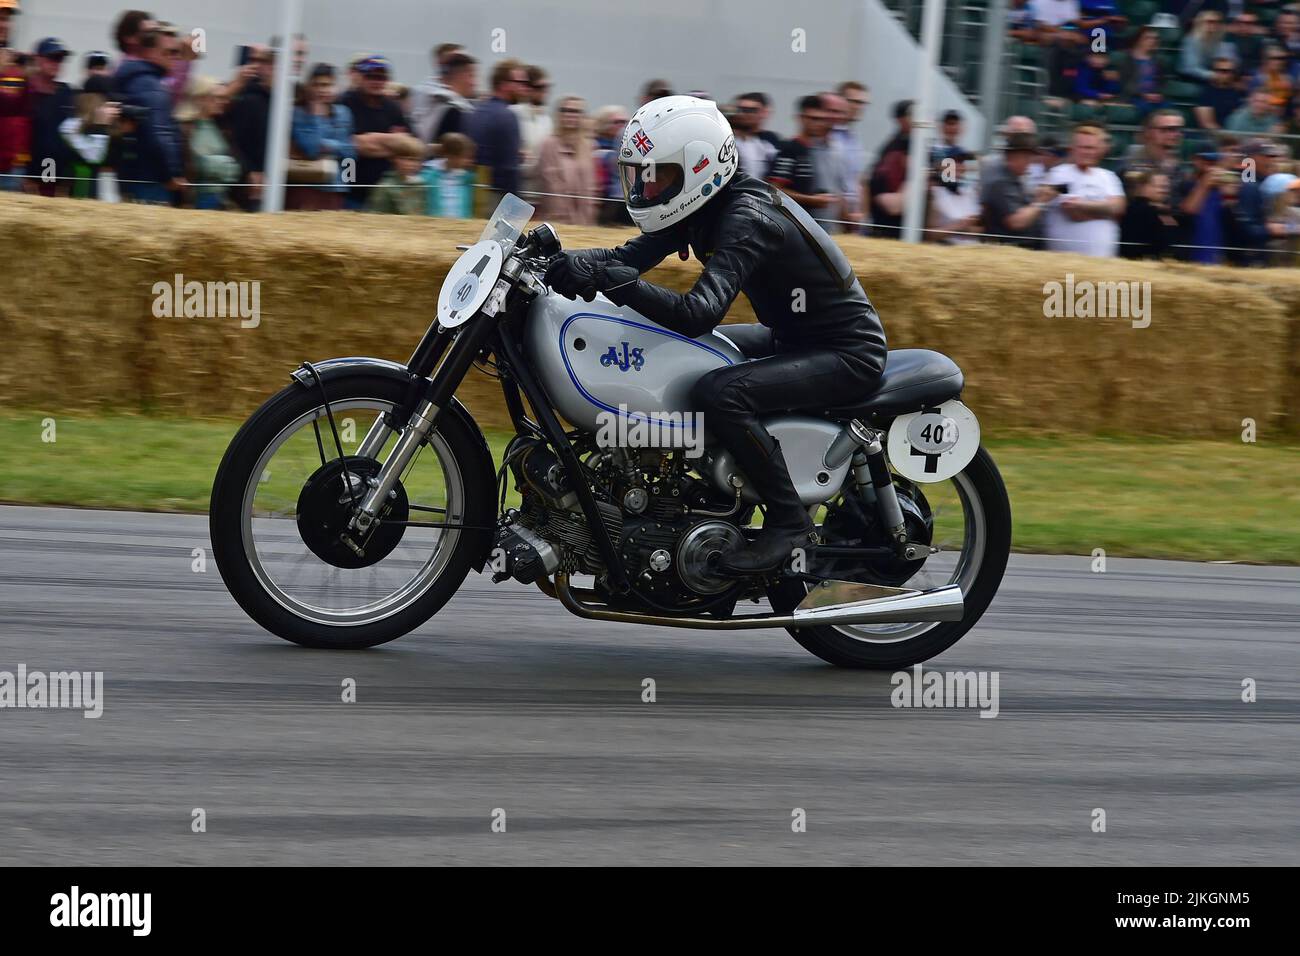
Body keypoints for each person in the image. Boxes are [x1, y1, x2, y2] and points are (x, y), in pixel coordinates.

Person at [544, 96, 887, 575]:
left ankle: (789, 520)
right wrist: (553, 255)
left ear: (698, 167)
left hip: (844, 352)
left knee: (719, 392)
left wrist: (612, 282)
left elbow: (696, 312)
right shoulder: (698, 205)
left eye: (657, 175)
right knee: (696, 359)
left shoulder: (747, 217)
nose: (646, 187)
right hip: (793, 338)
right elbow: (626, 257)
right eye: (641, 175)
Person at [113, 27, 185, 204]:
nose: (176, 58)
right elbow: (159, 134)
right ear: (150, 52)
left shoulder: (134, 79)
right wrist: (171, 174)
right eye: (171, 52)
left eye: (178, 52)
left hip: (135, 177)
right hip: (152, 182)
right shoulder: (151, 87)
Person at [1041, 124, 1126, 256]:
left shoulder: (1108, 176)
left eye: (1092, 148)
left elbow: (1119, 209)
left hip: (1102, 262)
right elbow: (1073, 212)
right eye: (1083, 147)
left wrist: (1082, 204)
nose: (1088, 152)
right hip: (1065, 262)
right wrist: (1106, 212)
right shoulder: (1059, 174)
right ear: (1072, 149)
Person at [339, 55, 410, 210]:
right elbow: (353, 145)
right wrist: (390, 142)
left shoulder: (393, 108)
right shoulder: (345, 102)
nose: (376, 82)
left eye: (381, 77)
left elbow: (406, 145)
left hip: (383, 191)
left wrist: (370, 140)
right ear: (361, 77)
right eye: (371, 77)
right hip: (351, 188)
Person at [288, 62, 355, 211]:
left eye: (327, 85)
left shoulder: (344, 112)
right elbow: (311, 149)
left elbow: (351, 153)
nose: (322, 90)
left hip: (336, 188)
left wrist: (348, 185)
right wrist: (316, 115)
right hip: (307, 187)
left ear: (336, 87)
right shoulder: (298, 113)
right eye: (317, 85)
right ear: (309, 87)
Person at [768, 93, 839, 228]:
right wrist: (812, 200)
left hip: (815, 225)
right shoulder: (789, 149)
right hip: (793, 225)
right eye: (813, 118)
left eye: (822, 119)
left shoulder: (817, 150)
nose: (818, 124)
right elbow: (775, 190)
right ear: (801, 119)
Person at [465, 58, 528, 204]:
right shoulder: (507, 116)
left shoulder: (475, 111)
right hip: (496, 199)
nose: (524, 88)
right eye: (520, 83)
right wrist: (517, 207)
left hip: (473, 194)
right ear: (503, 84)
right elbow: (509, 169)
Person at [979, 131, 1054, 248]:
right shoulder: (1000, 183)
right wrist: (1041, 202)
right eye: (1026, 157)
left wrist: (1036, 198)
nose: (1030, 162)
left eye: (1030, 157)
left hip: (1023, 252)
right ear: (1012, 156)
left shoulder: (1018, 180)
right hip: (1011, 253)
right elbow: (1015, 222)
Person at [226, 44, 274, 208]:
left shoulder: (274, 100)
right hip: (250, 178)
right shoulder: (250, 99)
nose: (257, 65)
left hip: (266, 176)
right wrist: (252, 171)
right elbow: (237, 140)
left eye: (262, 61)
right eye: (254, 60)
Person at [534, 94, 595, 225]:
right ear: (558, 114)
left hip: (585, 220)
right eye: (565, 110)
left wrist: (587, 220)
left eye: (575, 111)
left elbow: (590, 187)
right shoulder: (548, 145)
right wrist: (565, 222)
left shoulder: (589, 146)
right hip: (558, 219)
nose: (570, 114)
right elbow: (552, 186)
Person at [26, 38, 76, 197]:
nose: (56, 63)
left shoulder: (67, 92)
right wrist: (23, 174)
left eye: (60, 59)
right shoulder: (26, 91)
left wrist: (67, 179)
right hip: (29, 177)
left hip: (59, 180)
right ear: (38, 59)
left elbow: (72, 136)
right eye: (52, 58)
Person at [181, 76, 239, 210]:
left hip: (220, 198)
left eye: (224, 97)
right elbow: (187, 165)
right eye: (217, 97)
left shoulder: (221, 126)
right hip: (197, 200)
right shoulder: (186, 128)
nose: (223, 102)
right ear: (200, 99)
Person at [867, 99, 912, 238]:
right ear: (900, 120)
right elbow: (890, 204)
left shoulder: (919, 146)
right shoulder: (893, 150)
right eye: (912, 115)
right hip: (890, 228)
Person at [512, 64, 553, 191]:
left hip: (539, 190)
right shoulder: (513, 114)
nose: (544, 92)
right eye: (539, 87)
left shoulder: (547, 120)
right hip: (517, 187)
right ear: (527, 88)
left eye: (546, 87)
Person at [1119, 169, 1175, 259]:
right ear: (1144, 186)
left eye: (1166, 187)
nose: (1165, 191)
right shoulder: (1139, 211)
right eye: (1160, 187)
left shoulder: (1162, 211)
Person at [366, 133, 428, 215]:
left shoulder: (420, 185)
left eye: (416, 160)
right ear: (394, 159)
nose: (412, 164)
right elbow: (375, 215)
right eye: (407, 159)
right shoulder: (385, 187)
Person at [421, 130, 474, 218]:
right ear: (452, 156)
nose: (469, 161)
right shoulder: (430, 175)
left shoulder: (467, 177)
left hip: (460, 223)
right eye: (465, 157)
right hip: (436, 222)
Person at [1180, 10, 1238, 83]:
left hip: (1220, 78)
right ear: (1200, 23)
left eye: (1217, 22)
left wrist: (1223, 74)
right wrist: (1212, 75)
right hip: (1193, 78)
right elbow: (1190, 67)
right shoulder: (1191, 41)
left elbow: (1231, 62)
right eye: (1210, 22)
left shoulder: (1224, 40)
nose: (1214, 25)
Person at [731, 91, 777, 178]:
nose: (743, 114)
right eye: (739, 109)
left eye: (751, 110)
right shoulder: (726, 140)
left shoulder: (771, 142)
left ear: (764, 112)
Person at [1195, 57, 1243, 133]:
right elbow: (1206, 123)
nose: (1226, 74)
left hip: (1236, 134)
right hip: (1211, 136)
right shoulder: (1205, 93)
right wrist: (1224, 135)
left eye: (1230, 71)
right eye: (1222, 71)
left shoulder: (1238, 92)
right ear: (1214, 71)